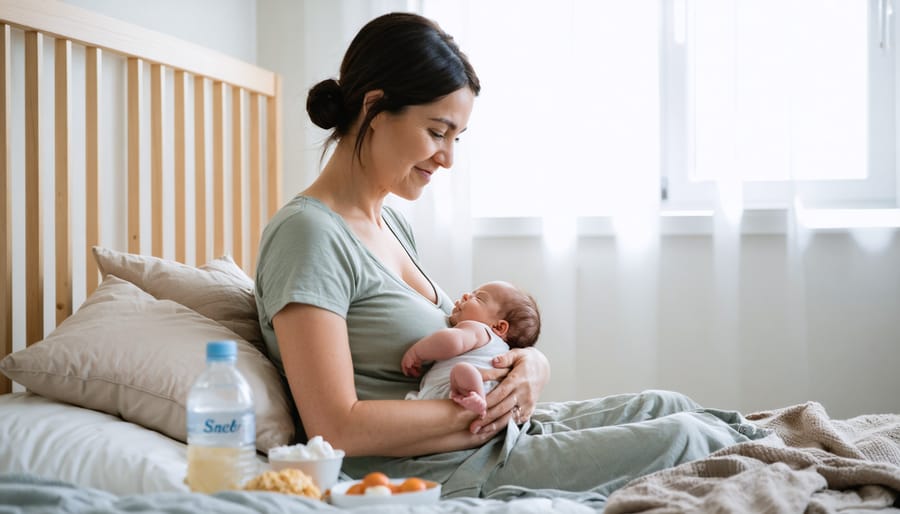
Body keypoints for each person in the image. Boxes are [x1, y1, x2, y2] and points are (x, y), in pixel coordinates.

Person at [255, 11, 767, 502]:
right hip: (432, 468)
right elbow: (334, 426)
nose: (448, 158)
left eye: (457, 138)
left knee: (670, 405)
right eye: (437, 132)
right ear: (374, 108)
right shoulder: (308, 234)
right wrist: (499, 412)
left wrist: (531, 366)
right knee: (688, 437)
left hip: (485, 437)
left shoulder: (392, 224)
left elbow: (462, 343)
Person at [402, 281, 541, 418]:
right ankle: (475, 400)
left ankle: (475, 396)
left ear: (499, 327)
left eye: (478, 298)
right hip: (489, 402)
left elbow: (452, 341)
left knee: (463, 370)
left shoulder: (479, 329)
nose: (466, 296)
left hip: (453, 392)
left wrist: (417, 352)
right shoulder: (502, 351)